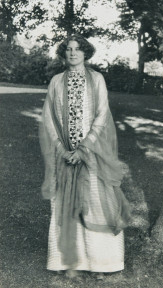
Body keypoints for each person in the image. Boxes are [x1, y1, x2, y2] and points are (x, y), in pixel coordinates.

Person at [39, 34, 131, 278]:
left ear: (86, 53)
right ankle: (71, 262)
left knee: (95, 205)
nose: (73, 53)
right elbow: (49, 118)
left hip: (93, 153)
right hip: (64, 155)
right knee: (65, 205)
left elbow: (102, 114)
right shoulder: (56, 81)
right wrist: (62, 149)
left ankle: (101, 264)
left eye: (78, 49)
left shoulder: (97, 79)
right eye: (68, 49)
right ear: (63, 53)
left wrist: (83, 149)